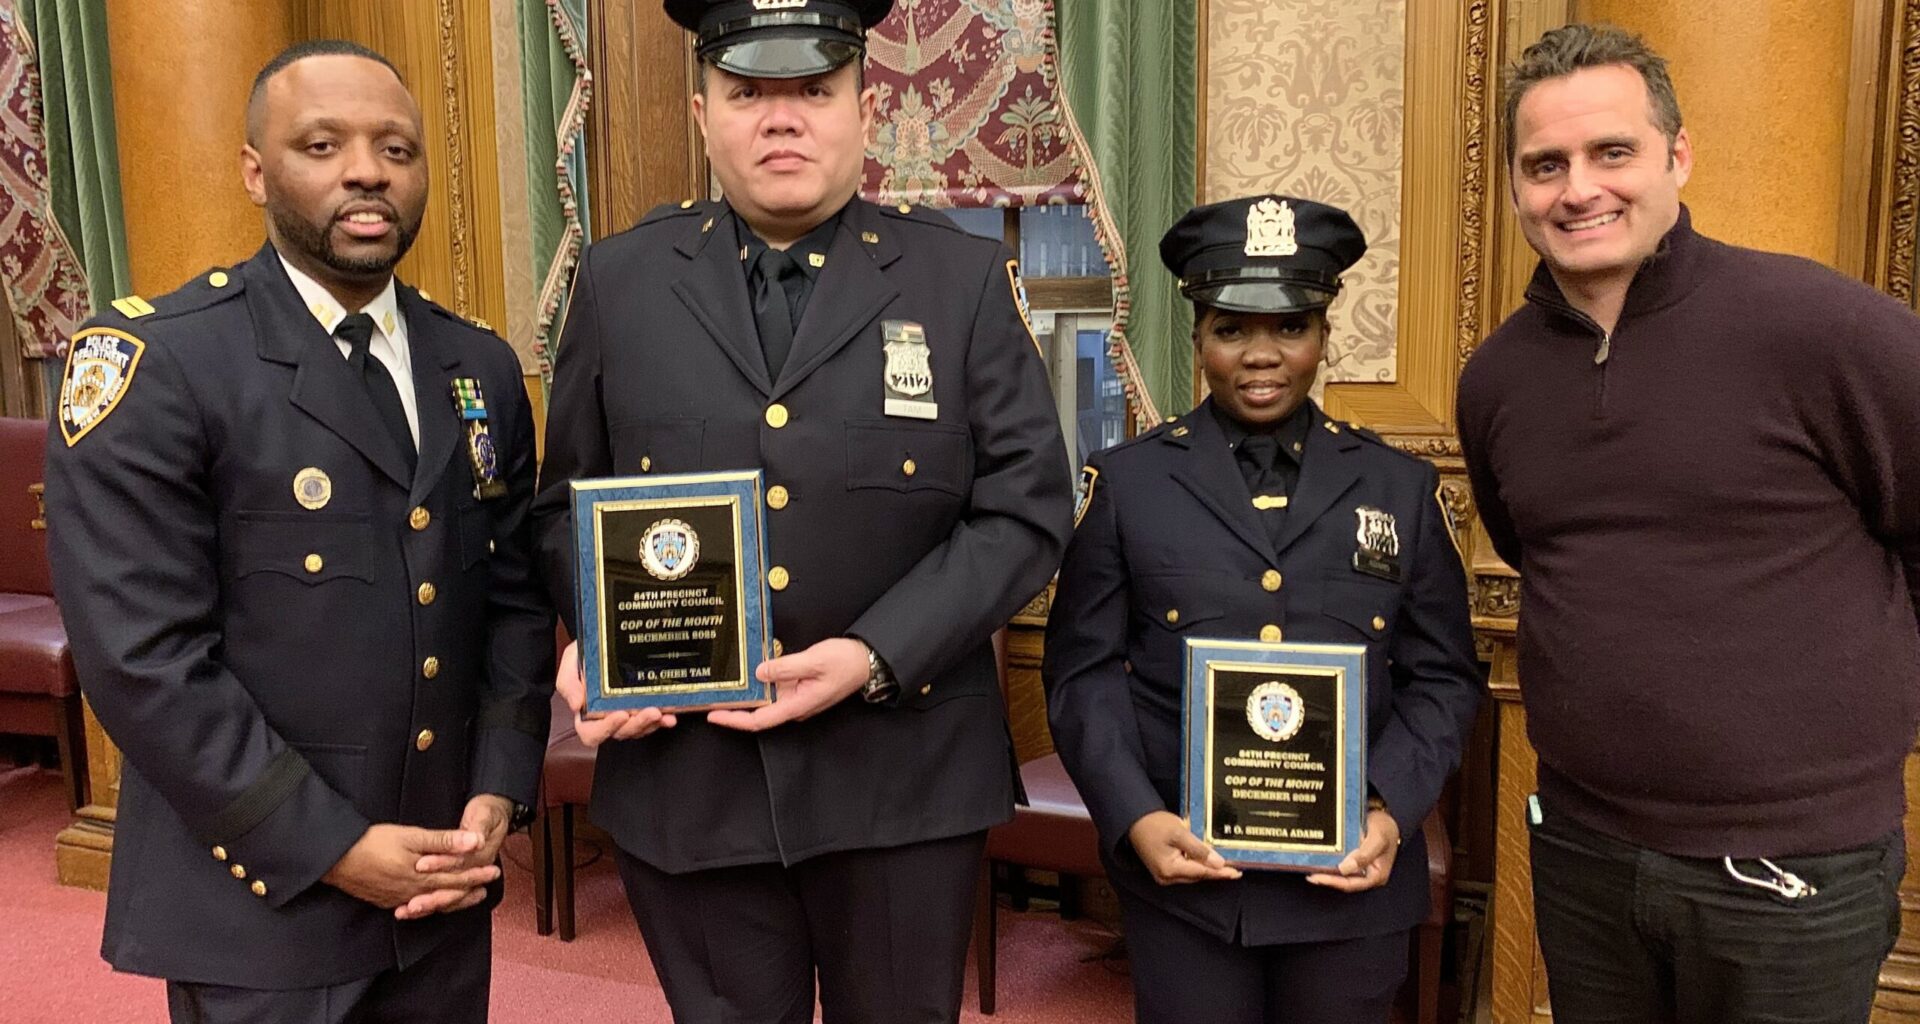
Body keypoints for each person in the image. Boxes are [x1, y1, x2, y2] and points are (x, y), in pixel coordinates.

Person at [529, 1, 1073, 1021]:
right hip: (689, 774)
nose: (782, 120)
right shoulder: (619, 281)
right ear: (702, 114)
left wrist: (874, 653)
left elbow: (1026, 510)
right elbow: (560, 509)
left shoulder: (957, 282)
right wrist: (598, 634)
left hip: (902, 779)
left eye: (813, 91)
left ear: (865, 110)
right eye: (747, 94)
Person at [43, 40, 552, 1024]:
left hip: (441, 889)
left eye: (396, 148)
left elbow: (515, 602)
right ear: (256, 170)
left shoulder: (477, 368)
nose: (367, 169)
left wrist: (499, 789)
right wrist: (331, 846)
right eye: (323, 143)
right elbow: (143, 660)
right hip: (261, 904)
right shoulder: (162, 363)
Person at [1458, 23, 1920, 1024]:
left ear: (1678, 155)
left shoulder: (1826, 331)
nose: (1578, 188)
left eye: (1611, 152)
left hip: (1790, 871)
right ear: (1515, 188)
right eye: (1545, 165)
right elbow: (1544, 558)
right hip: (1584, 854)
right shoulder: (1496, 381)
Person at [1043, 194, 1483, 1024]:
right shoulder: (1129, 484)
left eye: (1289, 328)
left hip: (1349, 883)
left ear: (1322, 336)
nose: (1261, 355)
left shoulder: (1402, 489)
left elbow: (1445, 679)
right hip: (1190, 884)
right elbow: (1081, 673)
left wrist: (1387, 807)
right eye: (1231, 328)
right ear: (1199, 337)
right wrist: (1134, 816)